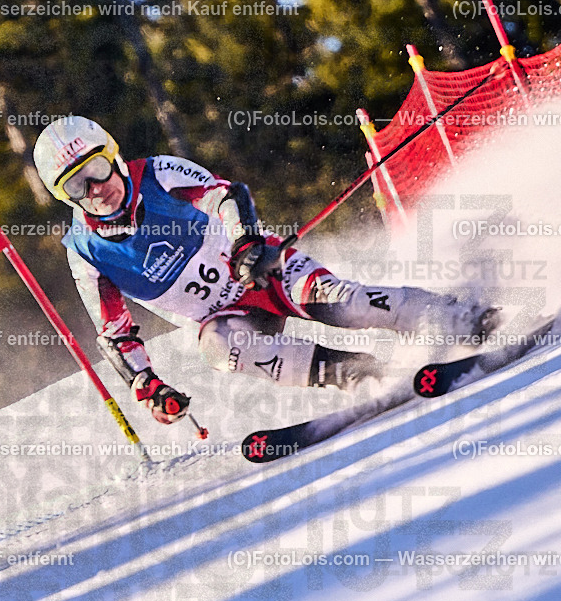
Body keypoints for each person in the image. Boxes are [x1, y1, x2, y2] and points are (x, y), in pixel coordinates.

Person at [33, 116, 499, 424]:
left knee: (345, 305)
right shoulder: (86, 251)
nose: (94, 189)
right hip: (227, 319)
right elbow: (116, 333)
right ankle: (362, 374)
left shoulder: (156, 173)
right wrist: (148, 386)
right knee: (219, 349)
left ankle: (452, 315)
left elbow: (225, 195)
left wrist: (245, 243)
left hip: (261, 271)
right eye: (74, 185)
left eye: (95, 169)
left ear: (111, 156)